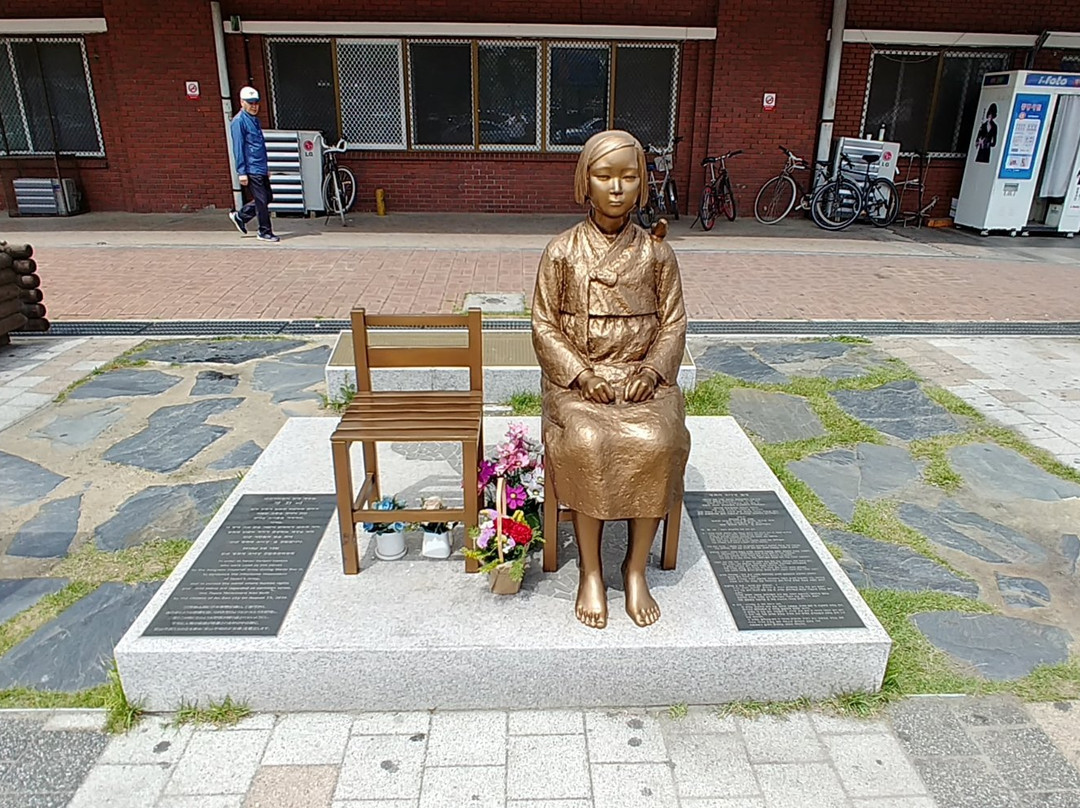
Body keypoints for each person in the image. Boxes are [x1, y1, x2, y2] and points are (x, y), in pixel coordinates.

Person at [531, 129, 690, 630]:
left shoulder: (657, 254)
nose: (616, 188)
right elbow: (542, 323)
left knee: (656, 438)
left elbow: (674, 322)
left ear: (643, 184)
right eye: (604, 176)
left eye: (628, 177)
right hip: (579, 383)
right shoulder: (561, 251)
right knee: (587, 439)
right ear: (585, 182)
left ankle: (636, 568)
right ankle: (592, 570)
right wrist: (579, 374)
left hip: (644, 381)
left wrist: (652, 370)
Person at [229, 86, 279, 242]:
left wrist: (266, 168)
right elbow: (238, 147)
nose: (254, 106)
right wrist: (241, 171)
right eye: (250, 103)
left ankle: (241, 216)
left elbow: (259, 147)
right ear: (242, 102)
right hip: (251, 167)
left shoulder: (255, 120)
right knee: (262, 200)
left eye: (256, 103)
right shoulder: (239, 122)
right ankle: (264, 231)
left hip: (260, 166)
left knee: (267, 197)